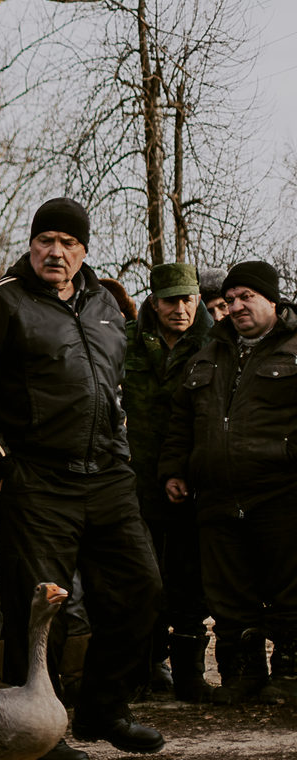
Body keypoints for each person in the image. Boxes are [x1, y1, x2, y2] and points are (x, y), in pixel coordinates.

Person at [0, 196, 165, 760]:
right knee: (40, 608)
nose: (56, 251)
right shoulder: (2, 300)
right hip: (39, 479)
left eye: (68, 243)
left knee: (141, 588)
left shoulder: (105, 304)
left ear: (84, 251)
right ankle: (40, 735)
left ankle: (104, 707)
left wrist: (121, 450)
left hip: (108, 475)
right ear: (31, 245)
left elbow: (116, 391)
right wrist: (3, 465)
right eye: (46, 240)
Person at [161, 261, 297, 705]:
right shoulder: (209, 351)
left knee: (288, 589)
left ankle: (290, 676)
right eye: (231, 299)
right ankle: (244, 676)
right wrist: (175, 470)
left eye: (247, 298)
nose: (236, 306)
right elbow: (181, 421)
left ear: (271, 300)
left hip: (280, 493)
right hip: (216, 496)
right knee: (228, 595)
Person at [122, 263, 213, 702]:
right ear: (154, 302)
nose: (181, 308)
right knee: (142, 577)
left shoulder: (216, 344)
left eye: (188, 298)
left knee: (189, 580)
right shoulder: (126, 343)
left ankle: (191, 674)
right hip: (135, 478)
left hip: (193, 478)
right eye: (172, 300)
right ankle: (147, 667)